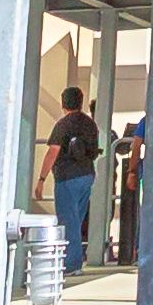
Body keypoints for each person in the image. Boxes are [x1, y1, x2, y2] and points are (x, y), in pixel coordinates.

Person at [45, 81, 106, 277]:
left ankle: (72, 263)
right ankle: (73, 259)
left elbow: (53, 151)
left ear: (63, 104)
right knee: (76, 219)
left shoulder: (63, 125)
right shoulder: (90, 124)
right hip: (87, 174)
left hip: (66, 177)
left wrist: (41, 178)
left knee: (67, 220)